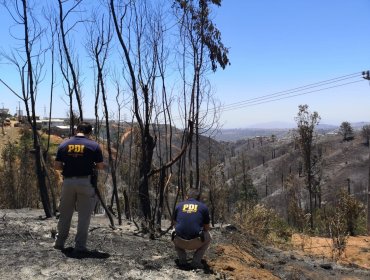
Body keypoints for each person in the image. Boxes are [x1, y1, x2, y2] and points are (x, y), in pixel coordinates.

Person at [53, 122, 104, 253]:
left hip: (68, 182)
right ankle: (80, 246)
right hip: (86, 183)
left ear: (77, 130)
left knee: (65, 214)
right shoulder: (94, 146)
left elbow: (57, 166)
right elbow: (100, 166)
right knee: (84, 216)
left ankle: (59, 243)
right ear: (90, 132)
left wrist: (70, 169)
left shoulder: (64, 144)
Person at [172, 188, 212, 269]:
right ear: (198, 197)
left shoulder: (179, 206)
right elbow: (207, 228)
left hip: (179, 242)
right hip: (196, 243)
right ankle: (196, 262)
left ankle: (182, 260)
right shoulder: (203, 207)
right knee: (209, 236)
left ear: (186, 196)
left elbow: (174, 223)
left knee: (173, 231)